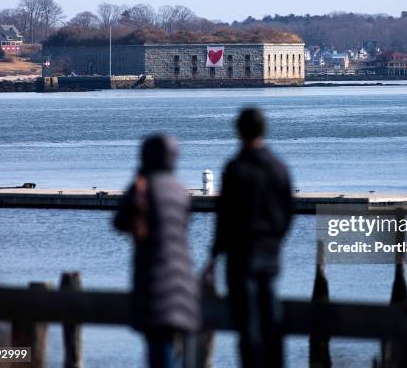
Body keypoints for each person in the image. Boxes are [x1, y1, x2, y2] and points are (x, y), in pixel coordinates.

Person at [204, 108, 293, 368]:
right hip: (269, 251)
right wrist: (276, 238)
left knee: (248, 324)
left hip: (240, 254)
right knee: (271, 315)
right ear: (264, 130)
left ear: (238, 131)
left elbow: (224, 217)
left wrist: (214, 255)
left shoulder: (235, 169)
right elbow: (288, 211)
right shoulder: (279, 168)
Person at [114, 135, 200, 368]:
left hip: (155, 281)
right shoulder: (180, 190)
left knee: (159, 349)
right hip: (184, 281)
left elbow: (120, 223)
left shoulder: (143, 188)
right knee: (182, 349)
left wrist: (136, 190)